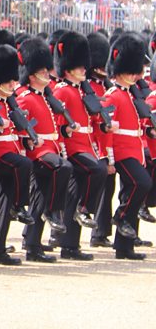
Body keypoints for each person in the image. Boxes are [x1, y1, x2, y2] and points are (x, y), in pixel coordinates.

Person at [52, 31, 109, 260]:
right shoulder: (62, 91)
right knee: (97, 171)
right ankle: (85, 210)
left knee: (73, 197)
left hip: (86, 146)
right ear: (68, 68)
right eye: (80, 66)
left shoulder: (82, 90)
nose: (85, 69)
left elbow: (92, 121)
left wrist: (104, 126)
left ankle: (70, 246)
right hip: (72, 148)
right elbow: (56, 123)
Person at [16, 37, 72, 263]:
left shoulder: (45, 98)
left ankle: (33, 245)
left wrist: (65, 131)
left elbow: (52, 126)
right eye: (43, 72)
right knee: (64, 168)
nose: (48, 75)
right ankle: (54, 211)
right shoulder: (25, 98)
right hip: (38, 153)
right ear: (31, 75)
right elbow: (20, 125)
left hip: (51, 149)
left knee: (39, 197)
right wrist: (28, 142)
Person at [0, 44, 33, 266]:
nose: (14, 84)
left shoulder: (9, 102)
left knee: (5, 198)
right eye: (9, 80)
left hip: (10, 154)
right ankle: (20, 206)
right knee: (23, 165)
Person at [103, 34, 152, 260]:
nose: (135, 74)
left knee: (129, 191)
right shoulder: (112, 95)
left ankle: (124, 247)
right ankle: (121, 216)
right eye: (131, 70)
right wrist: (109, 157)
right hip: (121, 151)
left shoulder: (132, 94)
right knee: (142, 183)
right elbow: (108, 129)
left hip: (134, 149)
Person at [87, 32, 117, 249]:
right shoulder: (90, 88)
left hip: (108, 143)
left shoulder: (105, 86)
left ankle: (102, 231)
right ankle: (97, 232)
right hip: (95, 144)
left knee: (108, 189)